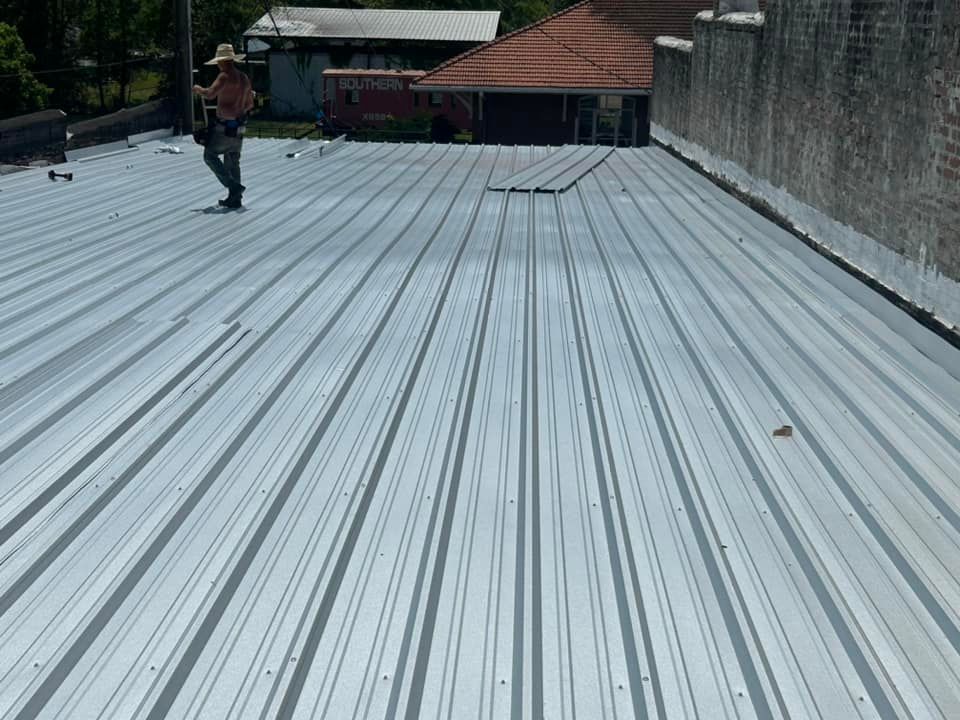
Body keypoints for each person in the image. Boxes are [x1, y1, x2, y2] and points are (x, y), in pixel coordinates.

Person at [193, 43, 254, 208]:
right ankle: (235, 199)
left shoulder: (224, 76)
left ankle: (234, 187)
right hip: (240, 126)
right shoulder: (244, 78)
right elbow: (250, 104)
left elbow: (210, 94)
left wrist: (198, 89)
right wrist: (238, 110)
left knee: (210, 156)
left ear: (221, 61)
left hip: (224, 127)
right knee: (233, 161)